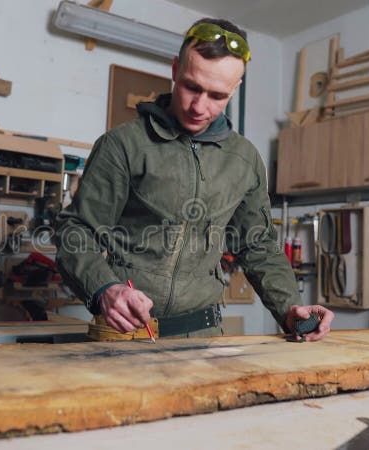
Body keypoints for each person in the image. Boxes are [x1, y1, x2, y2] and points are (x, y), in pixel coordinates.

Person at [54, 18, 334, 341]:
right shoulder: (123, 146)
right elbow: (76, 232)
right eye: (191, 86)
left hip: (204, 336)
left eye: (217, 95)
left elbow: (258, 245)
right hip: (126, 335)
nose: (199, 107)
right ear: (175, 70)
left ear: (235, 88)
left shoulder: (245, 161)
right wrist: (105, 288)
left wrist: (290, 308)